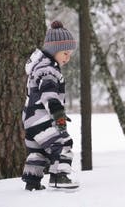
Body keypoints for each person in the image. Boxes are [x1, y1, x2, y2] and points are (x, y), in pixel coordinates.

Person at [21, 21, 79, 190]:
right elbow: (49, 95)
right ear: (54, 50)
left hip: (30, 120)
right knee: (62, 142)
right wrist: (58, 115)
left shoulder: (39, 67)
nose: (67, 58)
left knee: (38, 151)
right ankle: (58, 177)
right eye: (65, 53)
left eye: (70, 54)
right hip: (42, 117)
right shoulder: (49, 70)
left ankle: (32, 182)